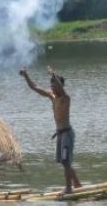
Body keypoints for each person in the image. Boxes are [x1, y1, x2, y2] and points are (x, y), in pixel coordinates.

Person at [20, 66, 83, 194]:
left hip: (67, 134)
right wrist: (26, 76)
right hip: (60, 134)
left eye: (54, 85)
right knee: (64, 162)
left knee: (66, 161)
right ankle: (77, 184)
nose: (53, 88)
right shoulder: (52, 97)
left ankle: (69, 189)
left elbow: (61, 87)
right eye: (52, 86)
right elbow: (35, 87)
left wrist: (53, 75)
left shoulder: (66, 98)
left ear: (60, 86)